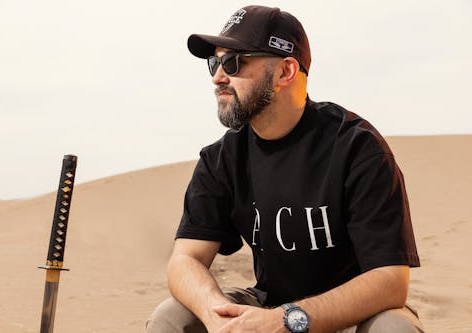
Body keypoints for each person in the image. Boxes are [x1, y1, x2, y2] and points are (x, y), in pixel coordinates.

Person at [146, 5, 424, 333]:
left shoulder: (356, 148)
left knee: (395, 328)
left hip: (353, 317)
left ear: (285, 71)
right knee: (171, 317)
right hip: (268, 305)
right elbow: (185, 259)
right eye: (214, 62)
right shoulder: (222, 159)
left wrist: (285, 321)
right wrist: (214, 313)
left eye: (233, 62)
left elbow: (390, 281)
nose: (218, 76)